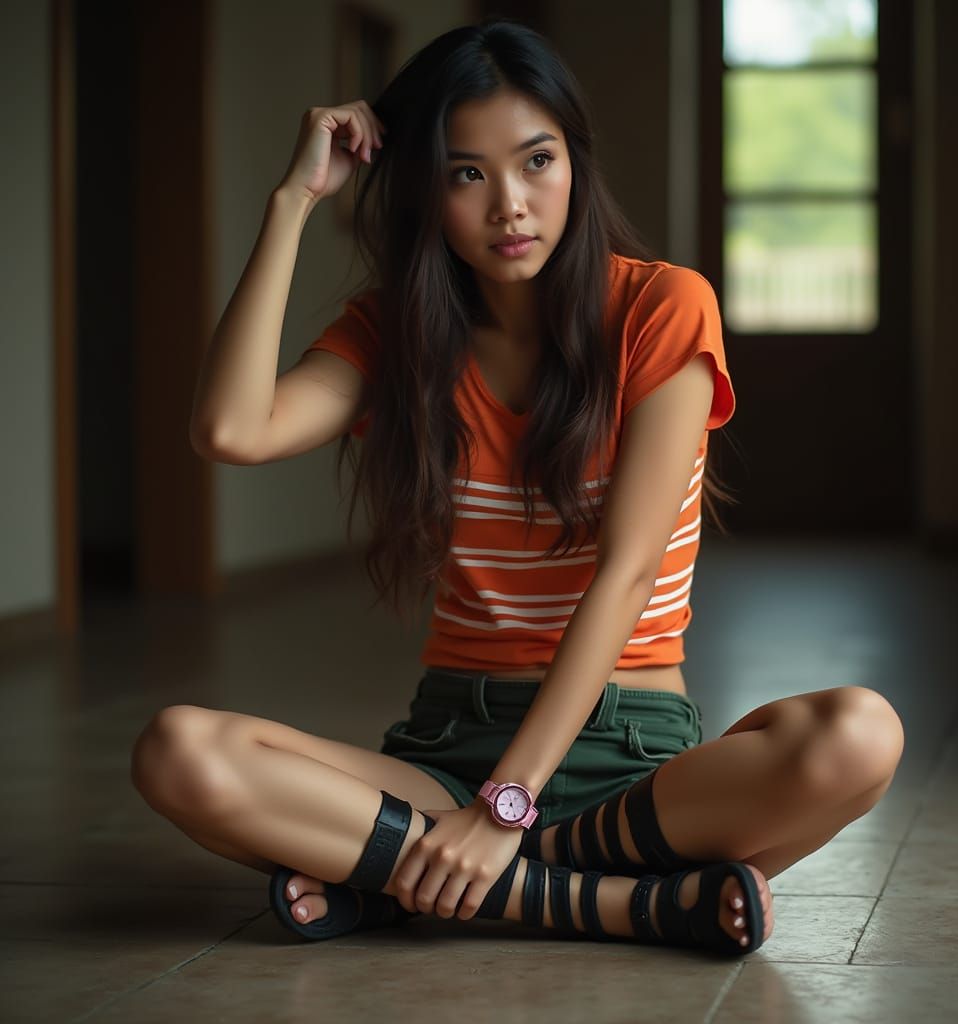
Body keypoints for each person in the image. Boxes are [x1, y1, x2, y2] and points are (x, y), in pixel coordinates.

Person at [131, 19, 904, 958]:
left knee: (860, 736)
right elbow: (229, 430)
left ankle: (407, 882)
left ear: (575, 160)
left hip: (629, 754)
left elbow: (624, 573)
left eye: (537, 160)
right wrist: (293, 200)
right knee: (180, 753)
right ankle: (612, 903)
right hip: (449, 747)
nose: (511, 205)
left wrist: (507, 811)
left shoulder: (660, 308)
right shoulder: (396, 335)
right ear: (425, 191)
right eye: (467, 174)